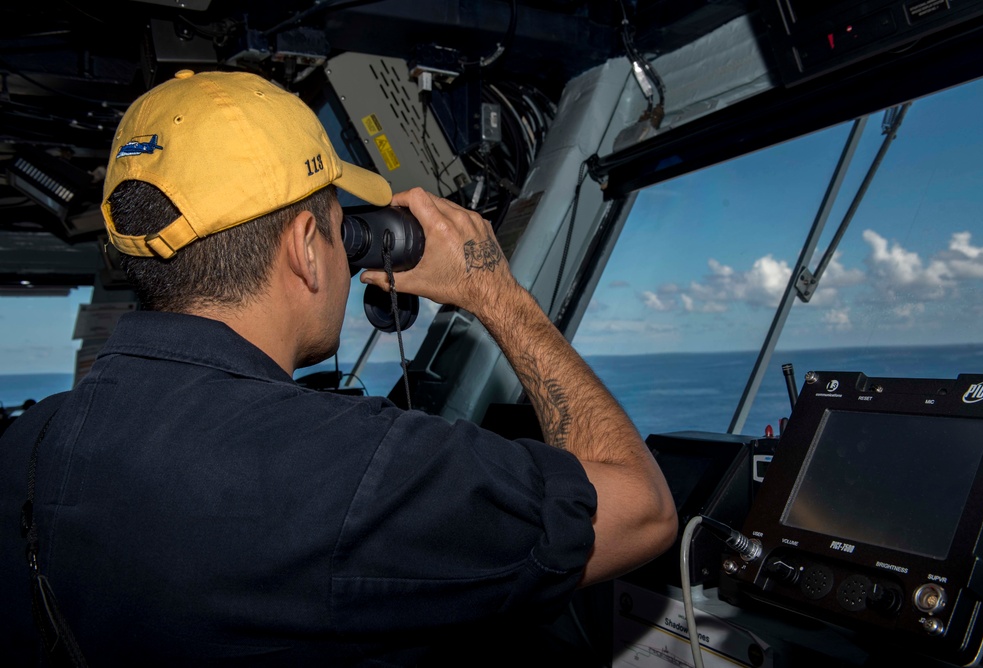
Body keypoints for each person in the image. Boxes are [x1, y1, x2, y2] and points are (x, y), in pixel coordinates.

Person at [0, 69, 676, 665]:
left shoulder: (29, 444)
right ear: (307, 248)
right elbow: (643, 510)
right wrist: (495, 290)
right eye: (336, 223)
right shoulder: (357, 473)